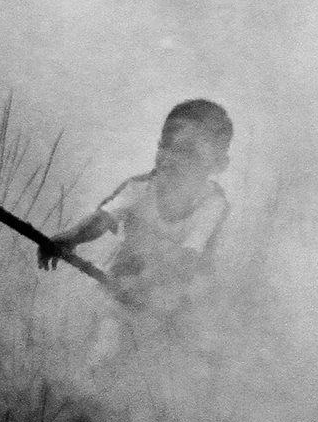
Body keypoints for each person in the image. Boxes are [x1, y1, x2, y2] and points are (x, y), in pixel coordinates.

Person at [38, 99, 232, 320]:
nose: (170, 159)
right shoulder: (139, 188)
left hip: (172, 310)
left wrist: (147, 281)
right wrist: (69, 238)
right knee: (105, 341)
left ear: (218, 164)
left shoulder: (212, 205)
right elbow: (101, 220)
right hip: (122, 289)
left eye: (188, 153)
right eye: (166, 145)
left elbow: (187, 259)